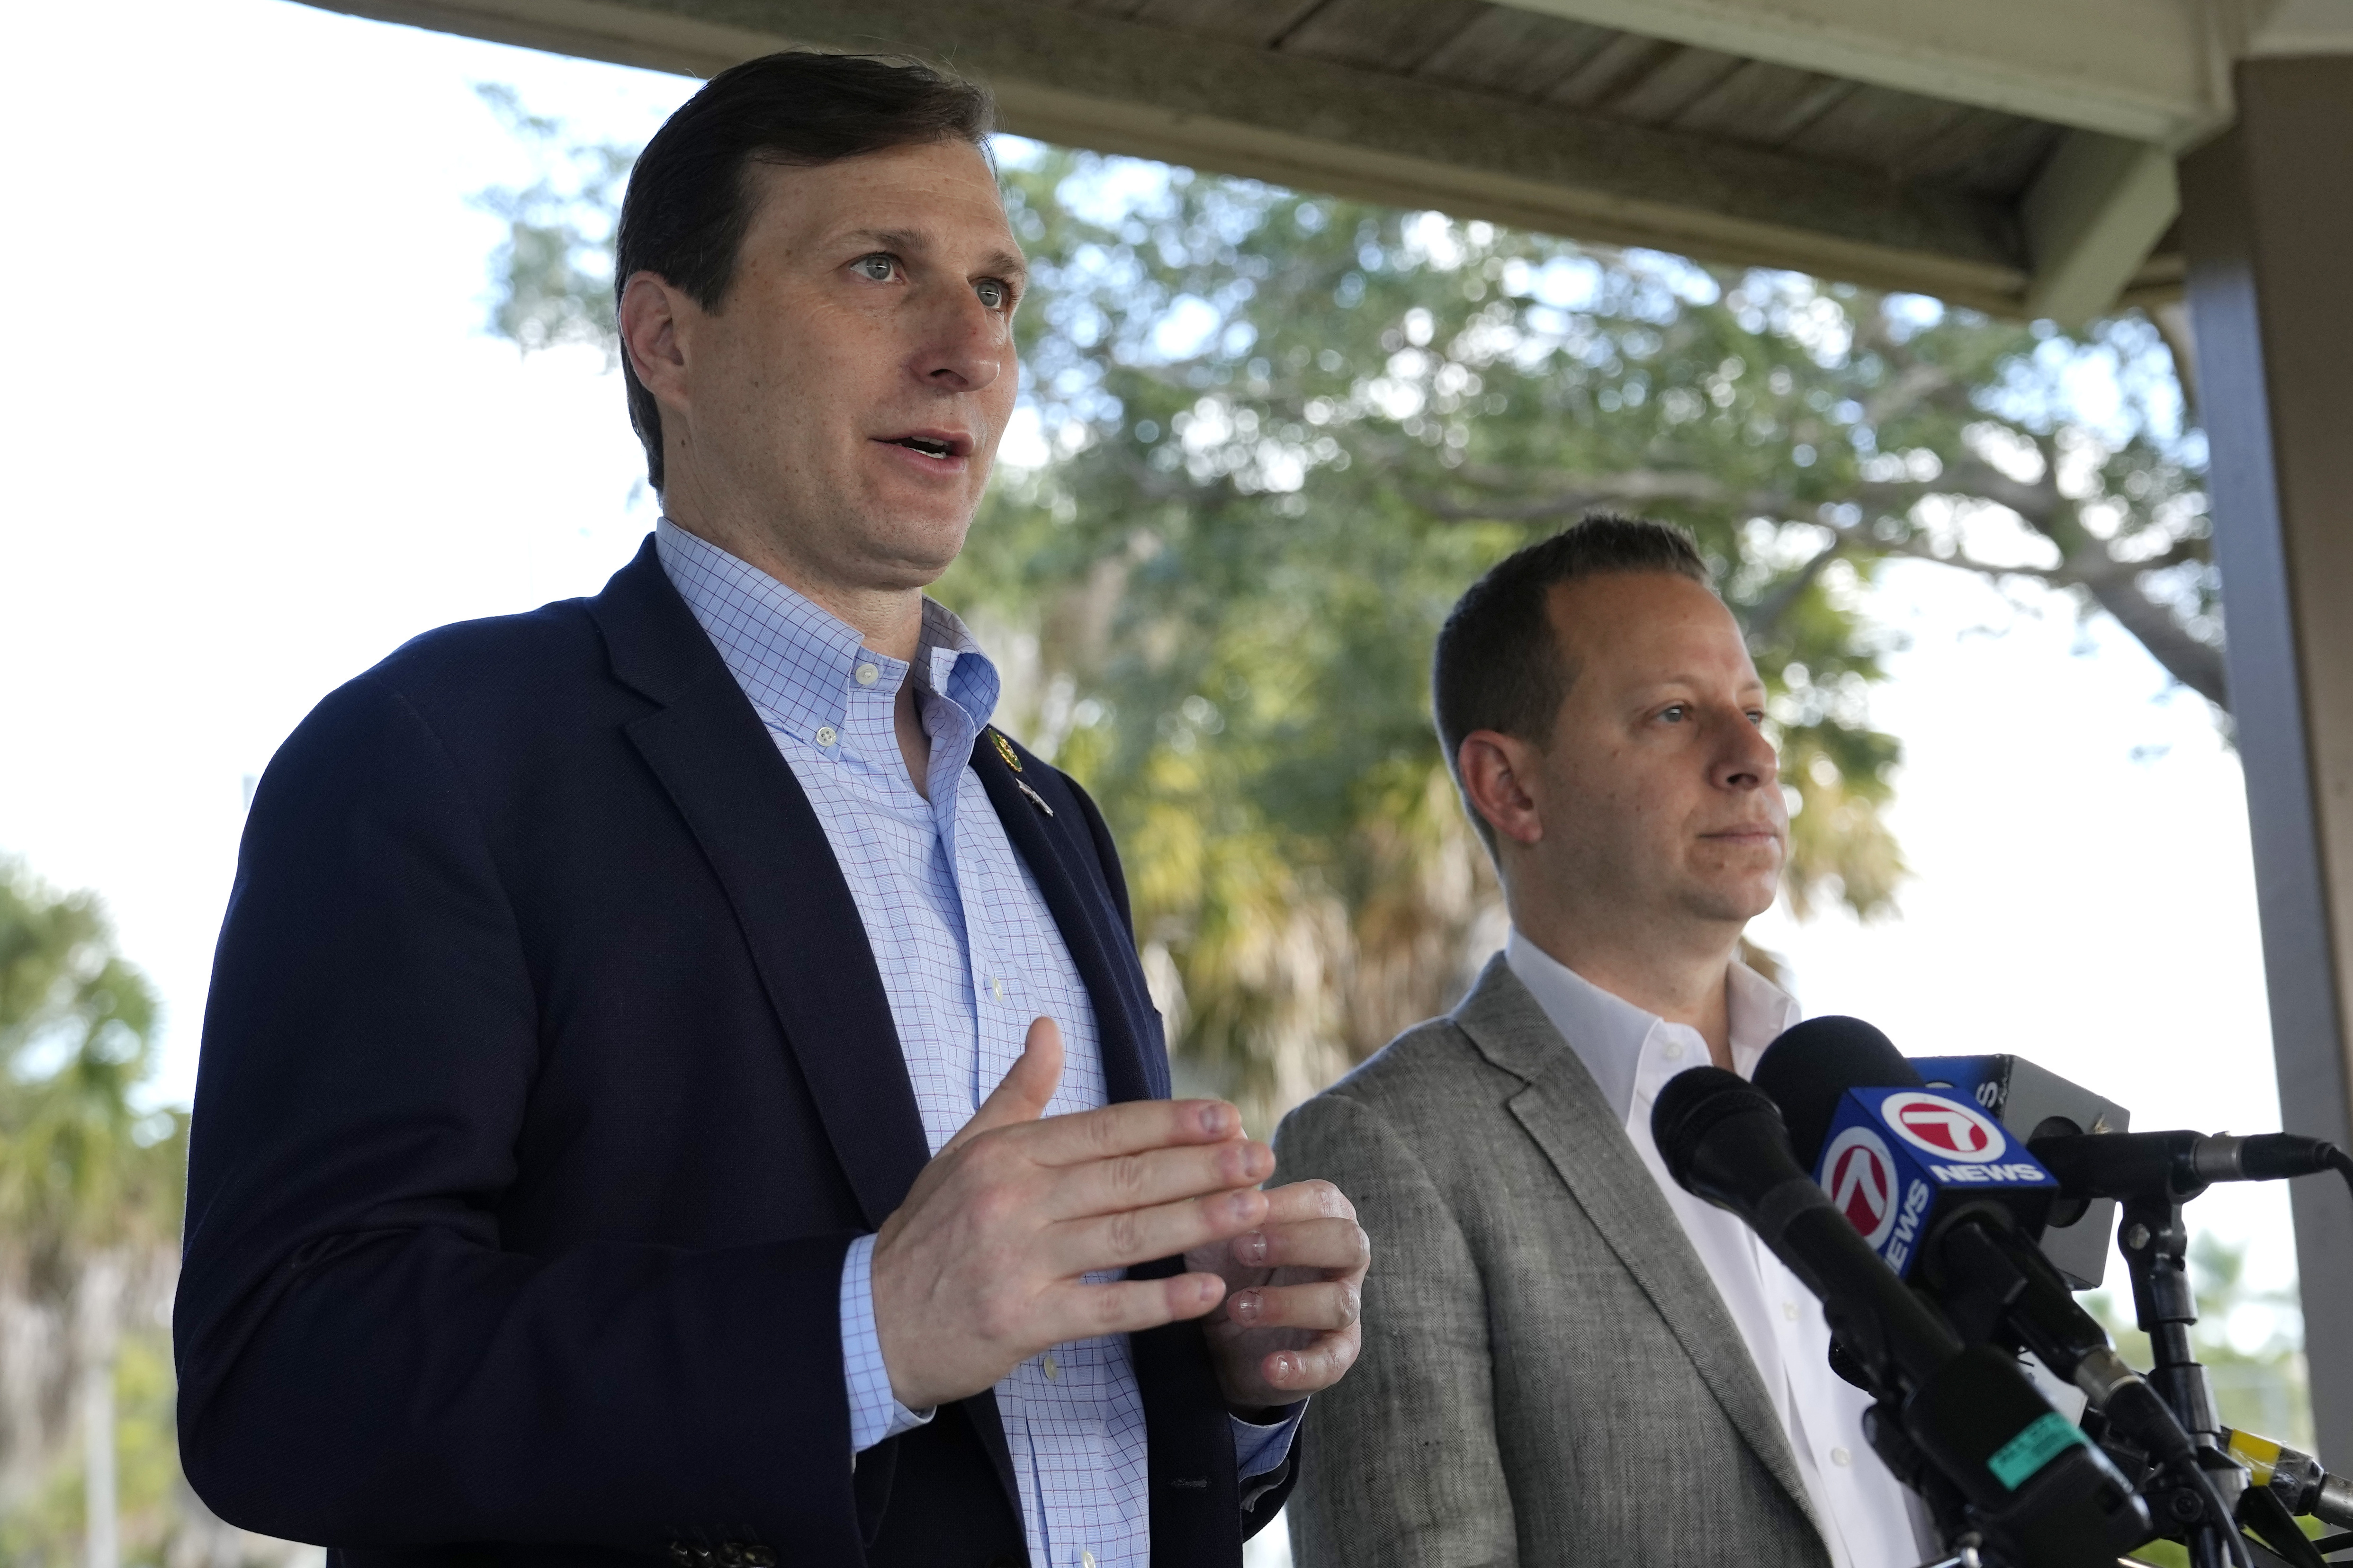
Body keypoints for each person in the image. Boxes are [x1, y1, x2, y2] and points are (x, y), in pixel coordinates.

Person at [175, 52, 1366, 1568]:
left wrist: (1234, 1372)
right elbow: (285, 1382)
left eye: (997, 293)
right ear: (667, 338)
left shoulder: (1049, 818)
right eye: (882, 269)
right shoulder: (436, 754)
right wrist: (864, 1328)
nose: (967, 351)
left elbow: (1093, 1444)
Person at [1274, 517, 1922, 1568]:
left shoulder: (1864, 1098)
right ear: (1511, 788)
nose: (1753, 757)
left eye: (1754, 713)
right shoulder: (1386, 1151)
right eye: (1673, 713)